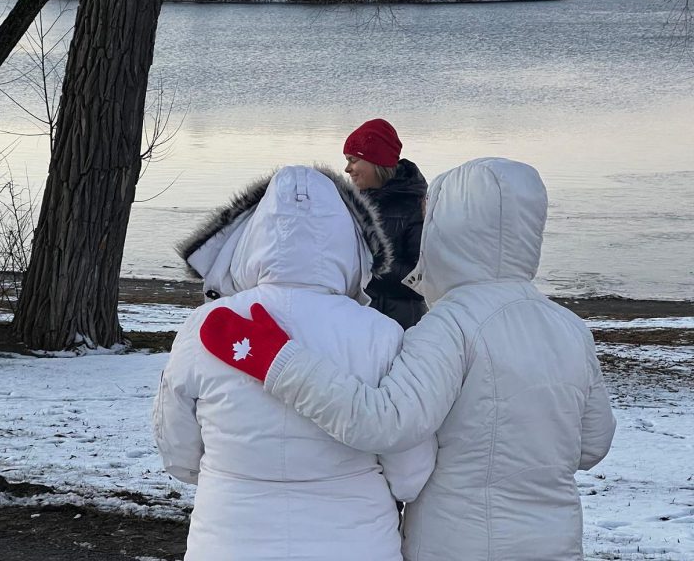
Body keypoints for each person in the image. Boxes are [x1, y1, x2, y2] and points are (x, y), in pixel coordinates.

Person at [200, 157, 617, 561]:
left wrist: (279, 362)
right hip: (555, 540)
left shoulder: (451, 326)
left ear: (448, 230)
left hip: (457, 541)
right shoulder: (570, 328)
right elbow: (592, 444)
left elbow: (384, 422)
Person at [154, 166, 437, 561]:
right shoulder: (382, 335)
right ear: (349, 240)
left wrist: (234, 472)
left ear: (251, 238)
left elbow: (178, 452)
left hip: (229, 538)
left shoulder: (206, 328)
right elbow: (409, 469)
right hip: (353, 542)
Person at [343, 118, 427, 328]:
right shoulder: (350, 203)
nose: (347, 169)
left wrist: (368, 262)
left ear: (375, 161)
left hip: (402, 324)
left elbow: (420, 280)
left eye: (353, 160)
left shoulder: (417, 205)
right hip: (359, 320)